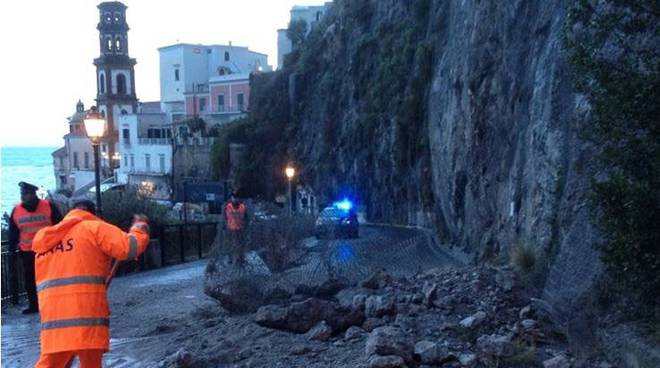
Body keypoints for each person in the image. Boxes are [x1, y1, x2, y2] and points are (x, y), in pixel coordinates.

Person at [31, 200, 150, 368]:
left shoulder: (48, 239)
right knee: (90, 363)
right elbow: (129, 247)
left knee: (51, 362)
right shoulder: (93, 228)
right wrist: (140, 226)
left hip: (54, 316)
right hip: (85, 313)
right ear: (93, 214)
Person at [8, 181, 63, 314]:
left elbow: (61, 226)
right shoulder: (16, 210)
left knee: (51, 278)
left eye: (26, 194)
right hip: (27, 252)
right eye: (22, 194)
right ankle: (34, 305)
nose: (23, 196)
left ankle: (53, 302)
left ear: (33, 194)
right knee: (30, 280)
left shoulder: (49, 206)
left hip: (49, 250)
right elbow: (13, 232)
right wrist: (12, 250)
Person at [223, 194, 247, 265]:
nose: (235, 199)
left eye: (237, 198)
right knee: (231, 244)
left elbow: (246, 218)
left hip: (240, 229)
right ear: (231, 198)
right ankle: (230, 259)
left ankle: (240, 258)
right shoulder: (227, 206)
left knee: (240, 244)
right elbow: (224, 217)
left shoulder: (243, 207)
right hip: (230, 229)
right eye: (234, 198)